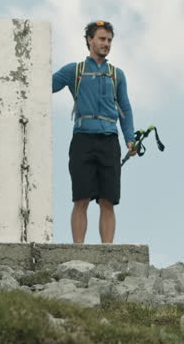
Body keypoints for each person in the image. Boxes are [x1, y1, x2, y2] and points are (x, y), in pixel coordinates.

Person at [51, 20, 135, 244]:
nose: (106, 44)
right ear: (89, 40)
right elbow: (44, 84)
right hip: (82, 139)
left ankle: (107, 250)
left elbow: (125, 108)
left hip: (109, 140)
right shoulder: (74, 70)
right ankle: (78, 249)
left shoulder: (117, 74)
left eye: (109, 40)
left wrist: (130, 140)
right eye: (101, 39)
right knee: (81, 198)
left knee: (108, 200)